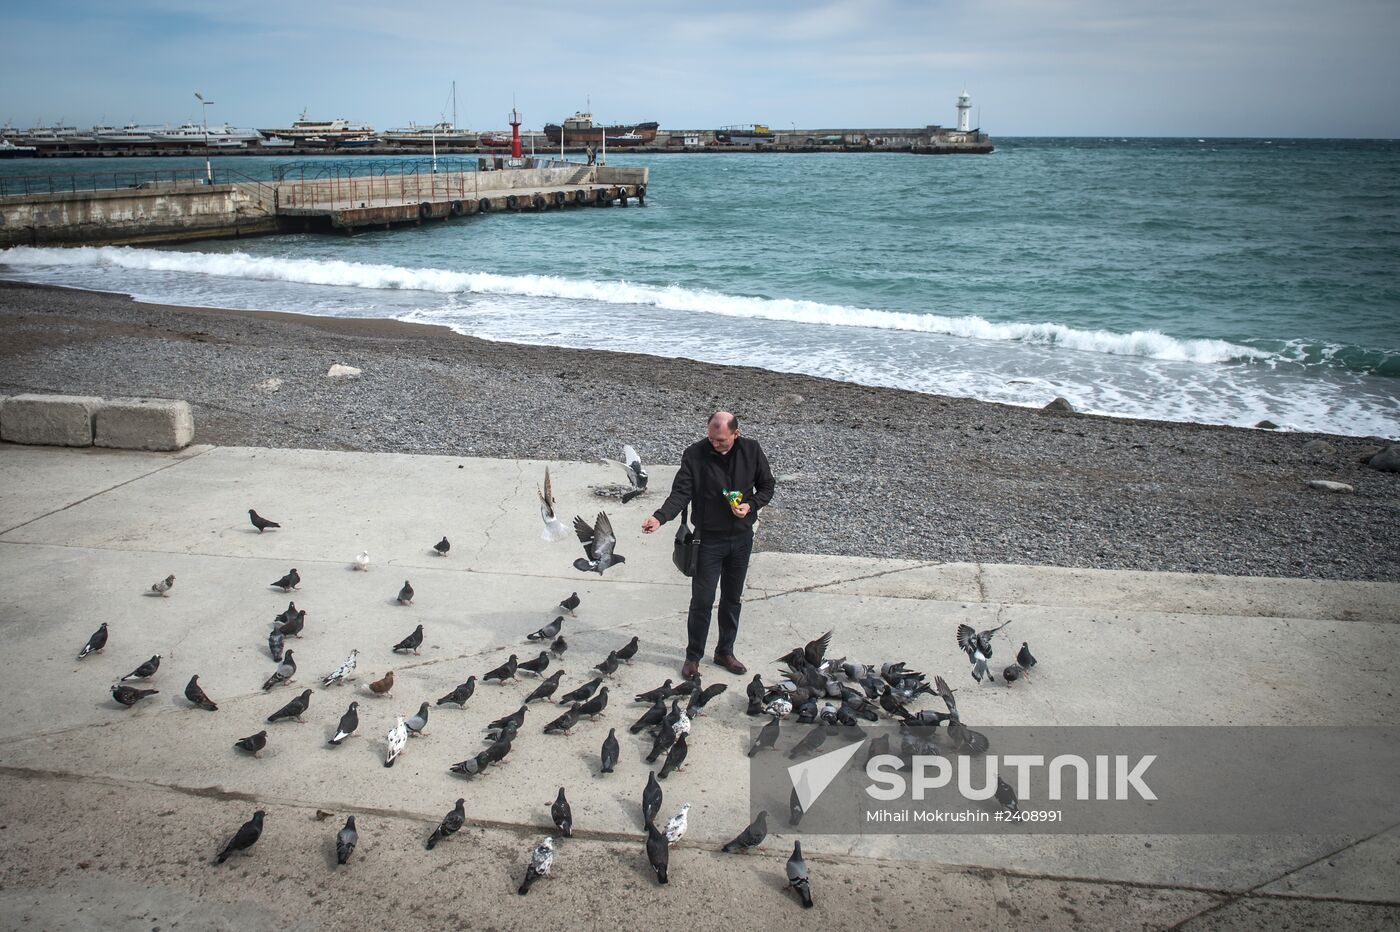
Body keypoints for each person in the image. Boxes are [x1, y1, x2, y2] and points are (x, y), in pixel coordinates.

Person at [642, 411, 776, 678]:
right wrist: (660, 518)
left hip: (740, 539)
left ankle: (725, 652)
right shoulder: (694, 454)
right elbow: (681, 493)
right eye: (712, 439)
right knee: (702, 601)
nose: (715, 444)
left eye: (722, 441)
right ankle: (693, 657)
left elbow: (767, 486)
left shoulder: (751, 449)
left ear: (736, 434)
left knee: (731, 598)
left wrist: (751, 504)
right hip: (708, 541)